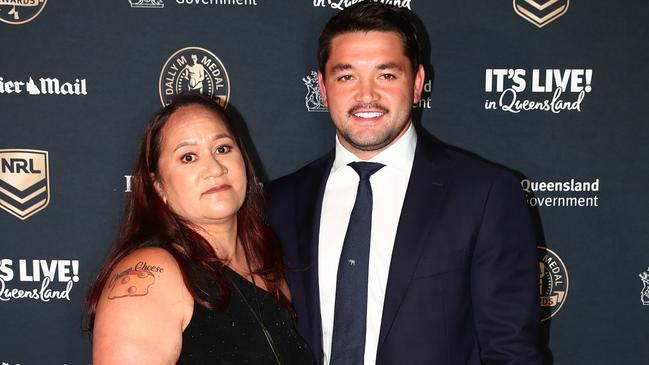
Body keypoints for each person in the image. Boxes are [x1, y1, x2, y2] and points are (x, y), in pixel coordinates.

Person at [266, 3, 542, 365]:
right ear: (322, 86)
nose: (366, 96)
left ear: (416, 84)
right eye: (346, 76)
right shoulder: (280, 202)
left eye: (386, 75)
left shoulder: (485, 195)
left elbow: (511, 352)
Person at [86, 93, 313, 364]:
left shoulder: (266, 270)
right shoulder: (153, 273)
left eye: (223, 149)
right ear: (158, 186)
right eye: (188, 157)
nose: (214, 169)